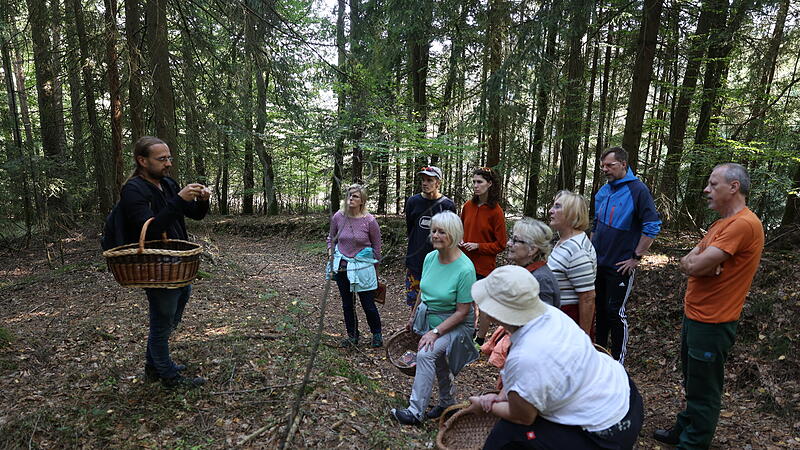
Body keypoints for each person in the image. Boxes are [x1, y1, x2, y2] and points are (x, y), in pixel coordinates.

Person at [468, 265, 644, 449]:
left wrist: (486, 405)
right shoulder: (549, 313)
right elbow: (527, 379)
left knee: (504, 438)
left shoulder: (526, 356)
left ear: (495, 313)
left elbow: (523, 416)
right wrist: (501, 396)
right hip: (625, 395)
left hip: (607, 432)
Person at [653, 163, 764, 449]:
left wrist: (698, 264)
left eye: (713, 184)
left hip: (714, 322)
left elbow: (694, 264)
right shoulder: (719, 225)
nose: (706, 189)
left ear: (734, 187)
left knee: (704, 389)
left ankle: (693, 443)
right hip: (696, 316)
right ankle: (685, 429)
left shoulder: (743, 224)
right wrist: (697, 264)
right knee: (693, 381)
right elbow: (688, 263)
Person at [118, 136, 210, 389]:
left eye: (169, 158)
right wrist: (179, 199)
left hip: (177, 263)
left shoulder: (168, 184)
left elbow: (194, 215)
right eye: (161, 159)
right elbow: (150, 229)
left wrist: (202, 200)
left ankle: (154, 366)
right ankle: (167, 375)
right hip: (155, 265)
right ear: (142, 161)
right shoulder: (133, 190)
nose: (168, 163)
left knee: (172, 314)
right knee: (162, 320)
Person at [391, 211, 479, 425]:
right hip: (430, 317)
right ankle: (447, 403)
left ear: (454, 234)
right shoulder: (430, 258)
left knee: (426, 354)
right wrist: (413, 316)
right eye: (433, 231)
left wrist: (435, 332)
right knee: (439, 360)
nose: (435, 236)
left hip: (456, 323)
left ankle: (415, 411)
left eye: (442, 232)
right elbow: (422, 290)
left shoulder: (465, 269)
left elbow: (462, 312)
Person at [591, 146, 661, 364]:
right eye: (602, 166)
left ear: (623, 164)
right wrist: (591, 254)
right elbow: (596, 225)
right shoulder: (603, 192)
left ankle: (617, 363)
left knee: (614, 312)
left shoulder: (638, 190)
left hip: (620, 265)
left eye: (609, 165)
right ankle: (600, 357)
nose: (605, 169)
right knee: (600, 310)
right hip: (599, 263)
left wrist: (636, 257)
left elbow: (652, 225)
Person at [327, 184, 383, 348]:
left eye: (355, 196)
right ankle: (353, 335)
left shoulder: (369, 221)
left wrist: (376, 271)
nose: (351, 198)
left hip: (363, 268)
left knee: (368, 304)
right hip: (342, 267)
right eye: (349, 195)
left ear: (362, 201)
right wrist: (331, 254)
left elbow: (377, 247)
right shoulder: (338, 217)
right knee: (347, 304)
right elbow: (331, 238)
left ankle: (377, 334)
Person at [460, 167, 507, 345]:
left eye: (479, 182)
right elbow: (460, 230)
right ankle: (465, 333)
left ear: (490, 184)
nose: (475, 185)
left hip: (484, 266)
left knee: (484, 304)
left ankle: (480, 340)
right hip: (464, 263)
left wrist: (478, 246)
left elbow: (501, 244)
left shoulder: (496, 211)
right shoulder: (468, 206)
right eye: (473, 182)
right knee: (464, 301)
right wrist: (460, 240)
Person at [404, 166, 457, 307]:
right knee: (414, 305)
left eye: (429, 180)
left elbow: (451, 235)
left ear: (438, 183)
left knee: (435, 305)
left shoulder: (447, 205)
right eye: (423, 180)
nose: (424, 183)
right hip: (415, 262)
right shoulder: (413, 202)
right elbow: (410, 229)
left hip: (439, 263)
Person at [547, 190, 596, 337]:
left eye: (557, 207)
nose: (551, 211)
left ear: (572, 214)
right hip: (557, 318)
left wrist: (583, 338)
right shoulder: (564, 241)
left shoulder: (577, 251)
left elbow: (587, 298)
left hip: (569, 322)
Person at [506, 217, 561, 308]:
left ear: (532, 249)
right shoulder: (527, 271)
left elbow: (543, 316)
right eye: (511, 238)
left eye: (515, 240)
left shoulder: (541, 279)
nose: (509, 243)